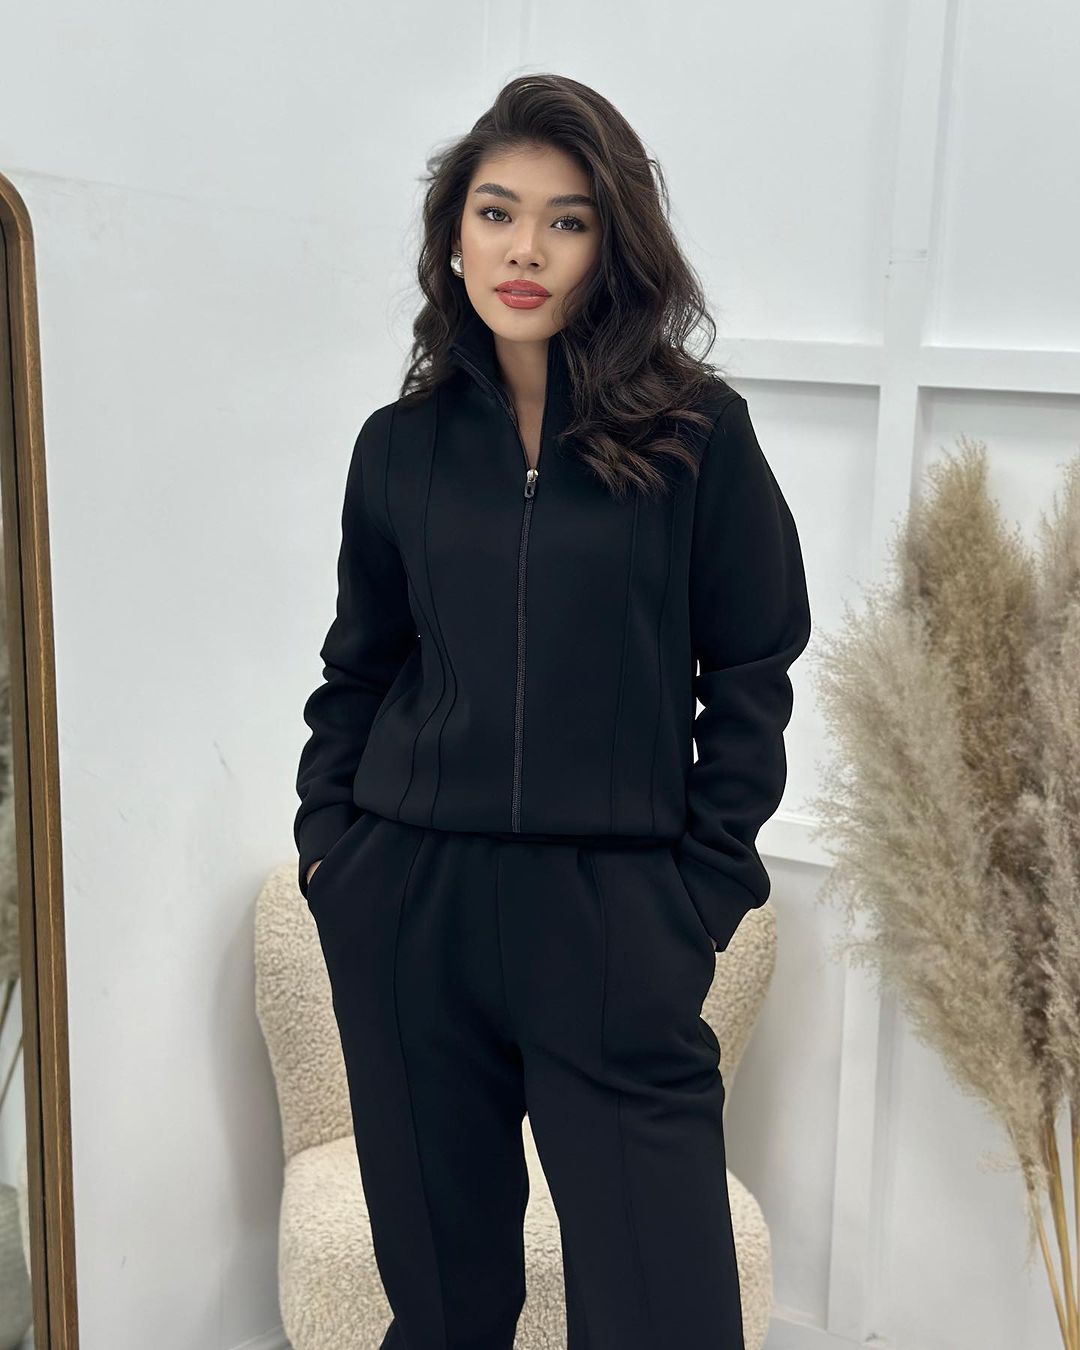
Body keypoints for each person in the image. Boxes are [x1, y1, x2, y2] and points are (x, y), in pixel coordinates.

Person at [294, 72, 811, 1350]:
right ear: (453, 240)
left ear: (610, 245)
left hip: (613, 912)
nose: (525, 249)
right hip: (411, 903)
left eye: (566, 220)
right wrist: (334, 857)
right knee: (447, 1309)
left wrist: (698, 892)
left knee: (666, 1312)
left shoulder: (697, 437)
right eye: (497, 212)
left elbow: (753, 669)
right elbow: (360, 667)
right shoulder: (398, 447)